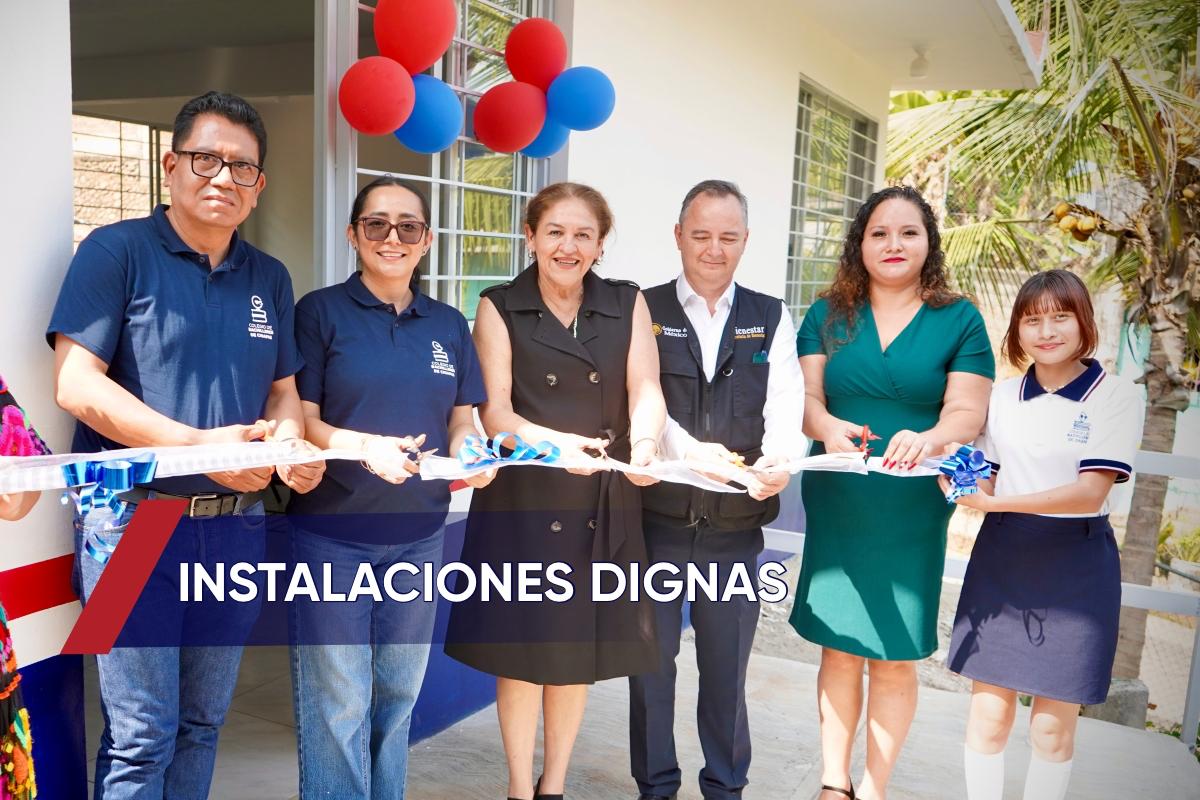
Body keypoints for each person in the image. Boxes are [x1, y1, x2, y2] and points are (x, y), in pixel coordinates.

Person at [46, 91, 325, 799]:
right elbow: (76, 386)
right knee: (141, 735)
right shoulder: (116, 251)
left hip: (236, 531)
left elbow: (283, 391)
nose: (223, 178)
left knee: (203, 724)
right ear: (171, 166)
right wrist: (202, 447)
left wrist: (288, 443)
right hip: (129, 524)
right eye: (207, 159)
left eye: (243, 168)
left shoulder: (269, 276)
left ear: (259, 187)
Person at [445, 182, 666, 800]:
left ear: (600, 244)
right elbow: (498, 416)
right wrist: (557, 447)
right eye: (555, 233)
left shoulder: (628, 302)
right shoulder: (498, 304)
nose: (568, 247)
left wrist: (644, 447)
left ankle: (554, 787)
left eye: (583, 235)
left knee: (576, 656)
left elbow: (645, 387)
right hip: (525, 501)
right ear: (531, 237)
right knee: (520, 656)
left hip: (603, 499)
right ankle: (519, 786)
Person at [288, 176, 492, 799]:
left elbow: (461, 420)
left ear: (426, 241)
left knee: (399, 695)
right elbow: (304, 421)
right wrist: (367, 449)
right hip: (331, 536)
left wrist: (472, 453)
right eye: (376, 224)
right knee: (339, 699)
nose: (392, 237)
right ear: (353, 235)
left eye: (408, 226)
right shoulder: (319, 313)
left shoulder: (449, 324)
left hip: (420, 537)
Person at [788, 185, 994, 800]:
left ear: (928, 243)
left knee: (896, 652)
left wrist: (928, 437)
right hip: (841, 495)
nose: (893, 244)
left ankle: (875, 788)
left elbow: (967, 411)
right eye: (879, 233)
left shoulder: (959, 318)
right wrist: (825, 429)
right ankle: (834, 783)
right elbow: (805, 401)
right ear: (861, 244)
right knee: (839, 644)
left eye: (908, 232)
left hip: (911, 504)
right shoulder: (827, 313)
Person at [629, 180, 804, 800]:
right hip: (656, 529)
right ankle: (655, 787)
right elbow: (641, 400)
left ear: (746, 241)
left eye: (728, 237)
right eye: (700, 235)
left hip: (734, 532)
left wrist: (784, 459)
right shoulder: (642, 309)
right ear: (678, 236)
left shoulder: (770, 316)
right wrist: (687, 454)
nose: (713, 249)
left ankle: (725, 788)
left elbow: (787, 405)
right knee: (650, 671)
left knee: (726, 674)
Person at [945, 269, 1143, 800]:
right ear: (1017, 329)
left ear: (1084, 323)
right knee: (988, 716)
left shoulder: (1117, 395)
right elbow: (980, 475)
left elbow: (1089, 494)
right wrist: (949, 476)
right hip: (1003, 556)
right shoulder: (1003, 397)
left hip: (1077, 562)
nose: (1047, 331)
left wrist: (993, 501)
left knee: (1052, 727)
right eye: (1033, 320)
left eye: (1061, 317)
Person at [0, 375, 49, 800]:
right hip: (137, 519)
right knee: (142, 731)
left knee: (197, 719)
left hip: (234, 518)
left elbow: (20, 491)